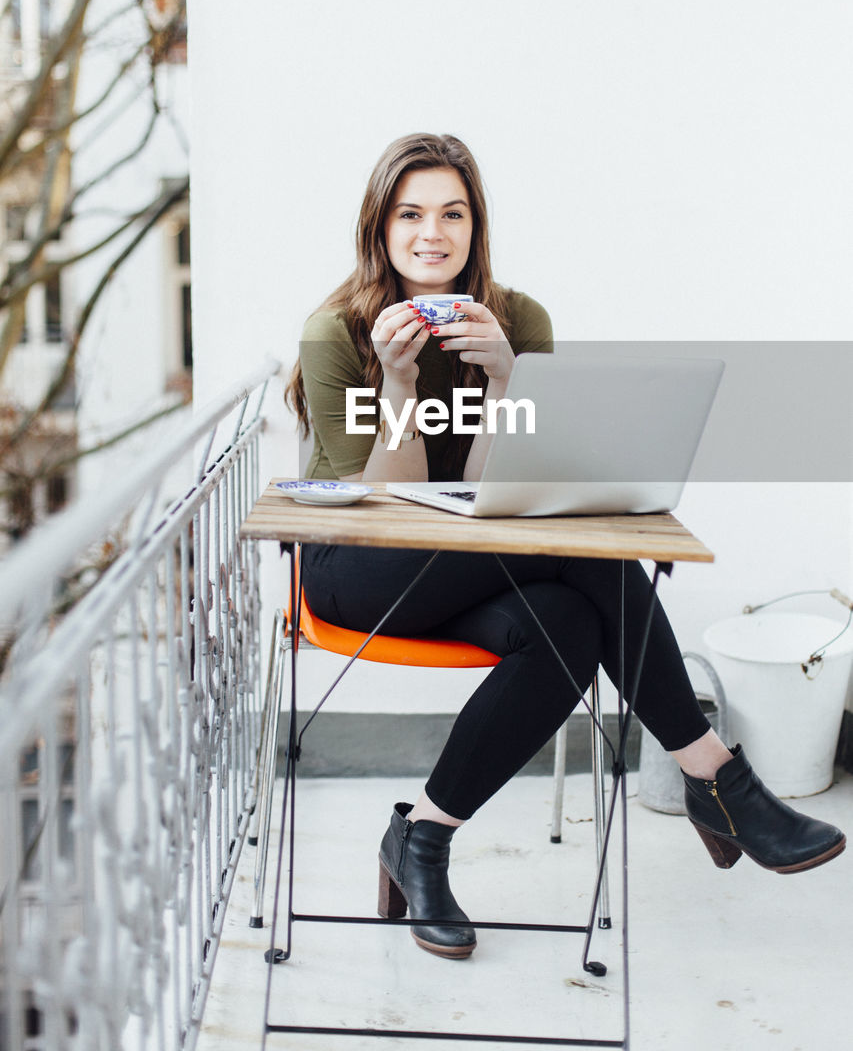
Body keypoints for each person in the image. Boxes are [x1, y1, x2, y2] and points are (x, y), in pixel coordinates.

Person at [285, 132, 845, 960]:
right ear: (379, 227)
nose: (430, 233)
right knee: (580, 554)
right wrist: (398, 383)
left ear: (476, 227)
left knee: (567, 625)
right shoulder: (336, 330)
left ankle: (422, 839)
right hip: (358, 567)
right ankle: (717, 779)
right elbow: (376, 509)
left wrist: (508, 383)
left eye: (451, 213)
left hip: (483, 559)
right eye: (409, 214)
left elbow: (510, 490)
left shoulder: (517, 320)